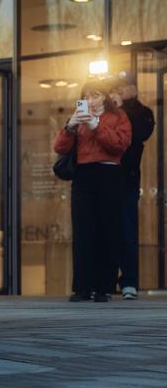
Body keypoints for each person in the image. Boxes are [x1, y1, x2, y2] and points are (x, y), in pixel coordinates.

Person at [55, 80, 130, 303]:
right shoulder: (79, 117)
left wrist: (96, 126)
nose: (90, 100)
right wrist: (70, 126)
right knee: (83, 231)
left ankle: (104, 288)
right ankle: (82, 287)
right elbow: (59, 147)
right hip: (84, 176)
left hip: (109, 174)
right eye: (87, 96)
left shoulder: (118, 117)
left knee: (107, 231)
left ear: (105, 97)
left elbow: (120, 144)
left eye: (95, 95)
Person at [110, 78, 154, 300]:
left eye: (122, 87)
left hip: (128, 180)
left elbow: (137, 135)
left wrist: (122, 108)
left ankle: (129, 282)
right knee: (106, 231)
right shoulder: (109, 111)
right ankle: (105, 281)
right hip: (106, 179)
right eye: (115, 88)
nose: (117, 91)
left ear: (134, 90)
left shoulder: (143, 112)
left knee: (128, 232)